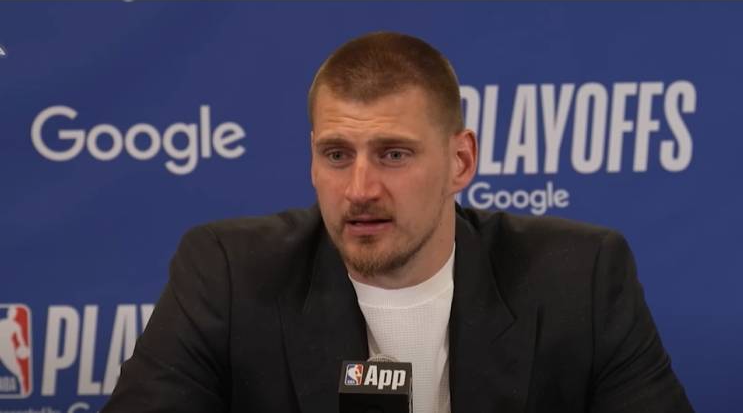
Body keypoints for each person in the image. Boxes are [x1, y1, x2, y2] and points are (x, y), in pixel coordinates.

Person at [102, 32, 694, 413]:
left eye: (393, 154)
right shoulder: (229, 273)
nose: (360, 189)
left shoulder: (579, 278)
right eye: (337, 155)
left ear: (460, 161)